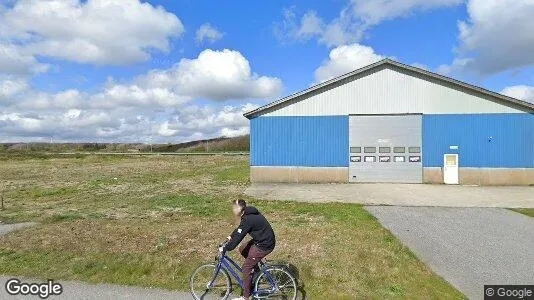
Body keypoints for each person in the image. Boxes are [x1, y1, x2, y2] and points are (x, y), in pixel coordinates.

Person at [221, 199, 276, 300]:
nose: (232, 210)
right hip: (263, 240)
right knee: (243, 249)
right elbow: (239, 229)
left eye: (234, 207)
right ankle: (256, 271)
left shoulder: (247, 219)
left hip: (265, 244)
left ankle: (246, 296)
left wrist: (226, 248)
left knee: (246, 268)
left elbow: (239, 236)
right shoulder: (248, 213)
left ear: (239, 209)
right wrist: (230, 237)